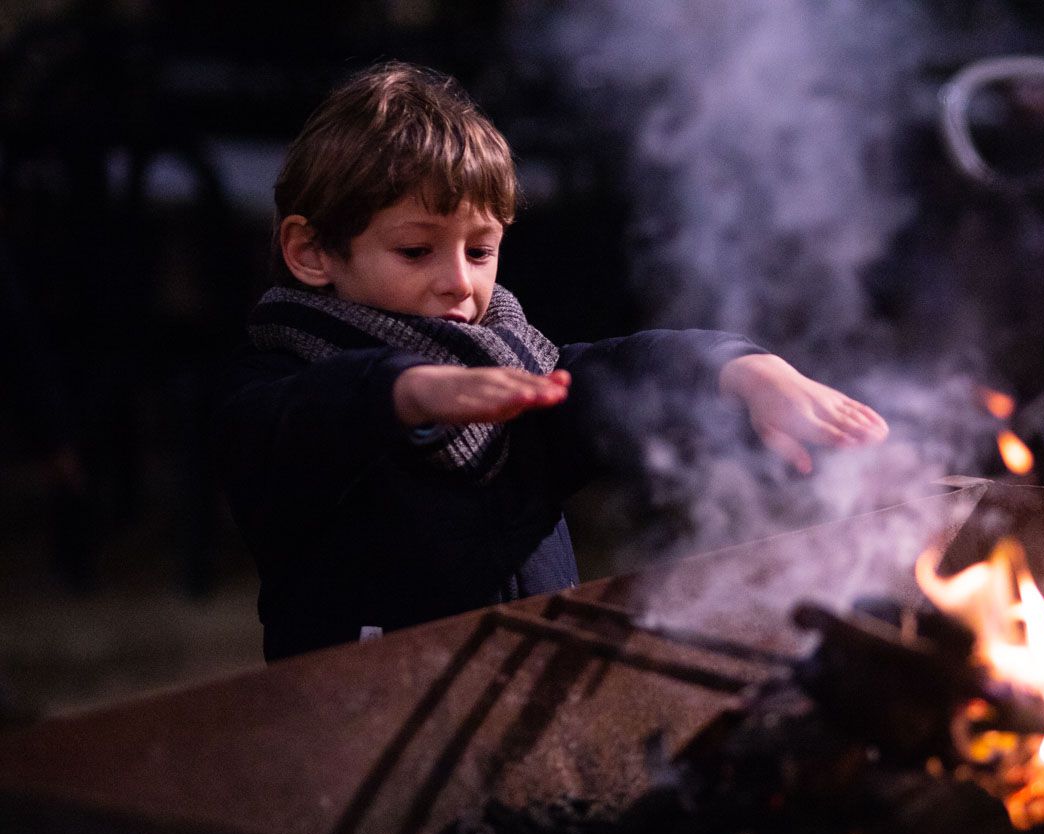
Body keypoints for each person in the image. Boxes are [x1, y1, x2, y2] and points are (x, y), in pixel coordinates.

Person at [219, 62, 887, 661]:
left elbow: (621, 373)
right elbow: (302, 420)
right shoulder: (279, 387)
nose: (458, 282)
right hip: (358, 735)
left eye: (479, 252)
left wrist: (744, 372)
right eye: (416, 251)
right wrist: (405, 394)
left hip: (512, 712)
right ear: (311, 252)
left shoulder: (518, 377)